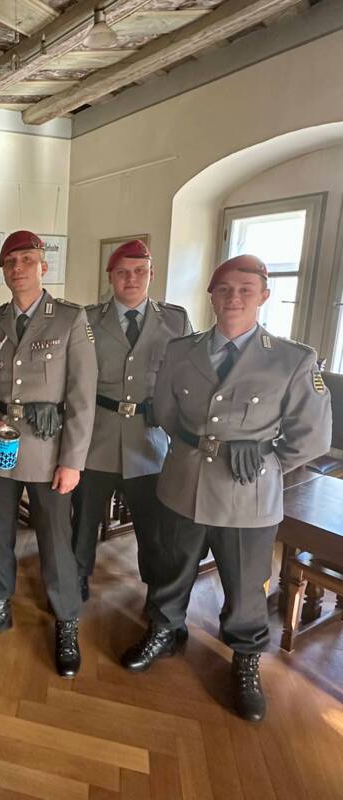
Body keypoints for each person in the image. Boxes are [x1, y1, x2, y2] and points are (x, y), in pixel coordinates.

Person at [120, 254, 332, 722]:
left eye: (245, 289)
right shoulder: (181, 350)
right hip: (183, 482)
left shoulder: (293, 359)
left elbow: (313, 435)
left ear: (263, 296)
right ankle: (165, 630)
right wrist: (201, 447)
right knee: (172, 567)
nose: (234, 298)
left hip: (247, 494)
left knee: (244, 584)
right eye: (224, 289)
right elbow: (169, 413)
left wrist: (266, 456)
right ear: (212, 295)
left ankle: (245, 658)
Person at [0, 230, 98, 677]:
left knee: (56, 540)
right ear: (2, 271)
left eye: (26, 259)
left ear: (43, 265)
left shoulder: (69, 319)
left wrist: (73, 461)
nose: (17, 267)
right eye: (9, 261)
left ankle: (66, 620)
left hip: (49, 449)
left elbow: (83, 395)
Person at [73, 239, 192, 601]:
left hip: (149, 439)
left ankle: (158, 596)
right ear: (110, 276)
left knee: (153, 526)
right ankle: (75, 583)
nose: (131, 279)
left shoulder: (176, 319)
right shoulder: (87, 319)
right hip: (97, 437)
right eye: (123, 272)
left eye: (140, 271)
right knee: (83, 522)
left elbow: (187, 377)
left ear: (151, 274)